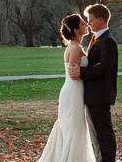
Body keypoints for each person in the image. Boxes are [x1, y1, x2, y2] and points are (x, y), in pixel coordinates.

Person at [36, 13, 96, 162]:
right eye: (83, 24)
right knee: (75, 128)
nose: (86, 25)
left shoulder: (77, 47)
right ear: (76, 30)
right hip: (73, 92)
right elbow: (74, 73)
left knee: (75, 127)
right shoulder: (75, 48)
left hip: (74, 90)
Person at [72, 3, 118, 162]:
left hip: (100, 95)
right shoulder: (96, 38)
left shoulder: (107, 41)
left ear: (101, 20)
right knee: (97, 131)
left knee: (104, 132)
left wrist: (81, 73)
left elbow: (104, 68)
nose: (89, 24)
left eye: (91, 20)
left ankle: (108, 159)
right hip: (94, 95)